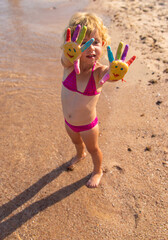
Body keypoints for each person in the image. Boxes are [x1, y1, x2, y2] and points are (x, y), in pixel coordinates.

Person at [61, 12, 111, 188]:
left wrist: (117, 69)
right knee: (76, 142)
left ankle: (98, 170)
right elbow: (66, 57)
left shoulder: (98, 73)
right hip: (69, 122)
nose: (90, 48)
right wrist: (70, 51)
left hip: (88, 126)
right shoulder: (68, 65)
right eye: (83, 43)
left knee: (94, 149)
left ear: (103, 44)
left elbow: (110, 74)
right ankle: (79, 154)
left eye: (95, 42)